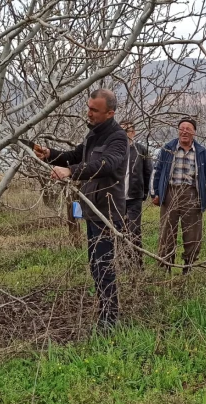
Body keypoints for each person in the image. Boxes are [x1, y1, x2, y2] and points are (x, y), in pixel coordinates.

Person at [34, 89, 128, 328]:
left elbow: (107, 164)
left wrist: (71, 172)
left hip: (107, 212)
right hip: (92, 209)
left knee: (104, 266)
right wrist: (50, 155)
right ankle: (104, 311)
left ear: (110, 113)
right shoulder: (93, 135)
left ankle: (109, 319)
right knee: (95, 265)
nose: (89, 113)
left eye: (94, 110)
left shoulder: (118, 138)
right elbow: (75, 155)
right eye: (88, 108)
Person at [151, 118, 206, 274]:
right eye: (181, 128)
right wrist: (155, 193)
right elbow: (156, 171)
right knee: (166, 232)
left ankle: (188, 266)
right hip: (170, 193)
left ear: (194, 132)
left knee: (192, 233)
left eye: (188, 129)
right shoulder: (168, 148)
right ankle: (165, 266)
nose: (184, 131)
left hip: (192, 194)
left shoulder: (202, 152)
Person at [120, 120, 152, 268]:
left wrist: (144, 193)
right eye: (120, 131)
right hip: (117, 198)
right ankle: (122, 262)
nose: (124, 134)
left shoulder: (141, 150)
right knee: (119, 231)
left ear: (133, 133)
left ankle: (137, 264)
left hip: (134, 197)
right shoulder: (115, 150)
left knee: (134, 231)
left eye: (127, 131)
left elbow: (148, 172)